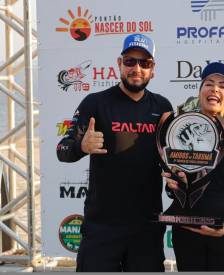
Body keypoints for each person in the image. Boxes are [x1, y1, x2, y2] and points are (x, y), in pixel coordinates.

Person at [56, 33, 173, 272]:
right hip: (102, 227)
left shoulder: (163, 107)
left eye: (145, 63)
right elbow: (62, 149)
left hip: (147, 227)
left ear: (153, 69)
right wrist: (81, 146)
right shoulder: (95, 103)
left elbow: (170, 161)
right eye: (130, 61)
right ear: (119, 64)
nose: (137, 68)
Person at [163, 62, 224, 271]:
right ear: (200, 91)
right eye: (209, 84)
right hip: (188, 233)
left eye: (223, 86)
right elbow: (172, 191)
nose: (215, 89)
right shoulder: (179, 132)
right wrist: (175, 185)